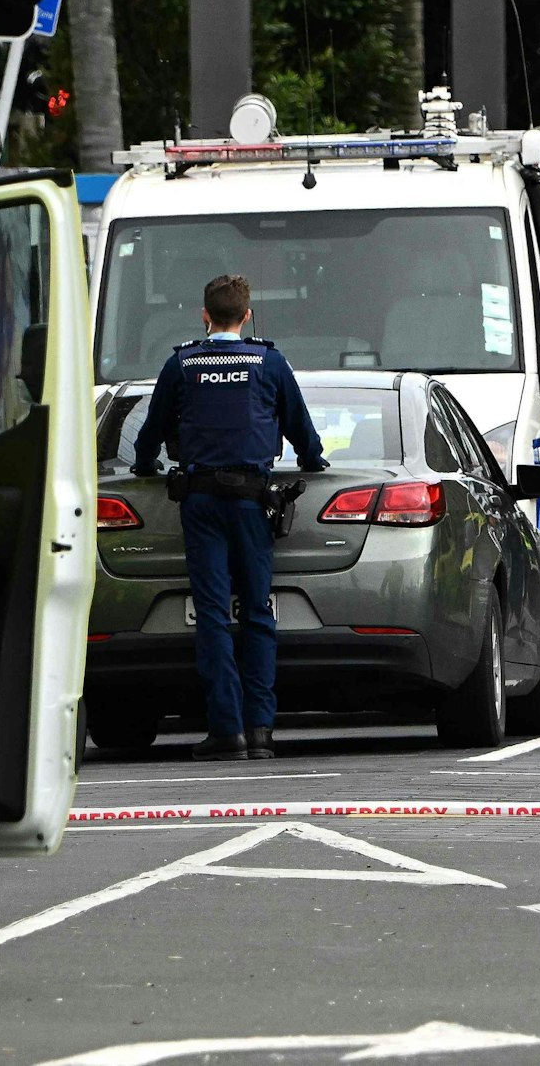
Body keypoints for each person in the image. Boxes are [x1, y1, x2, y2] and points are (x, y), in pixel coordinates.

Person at [133, 274, 327, 761]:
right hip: (251, 502)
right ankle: (261, 729)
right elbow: (302, 431)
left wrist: (144, 466)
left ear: (204, 315)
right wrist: (312, 461)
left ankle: (226, 730)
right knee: (259, 612)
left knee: (214, 617)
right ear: (246, 316)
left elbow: (151, 432)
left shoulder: (182, 364)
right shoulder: (268, 361)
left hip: (200, 503)